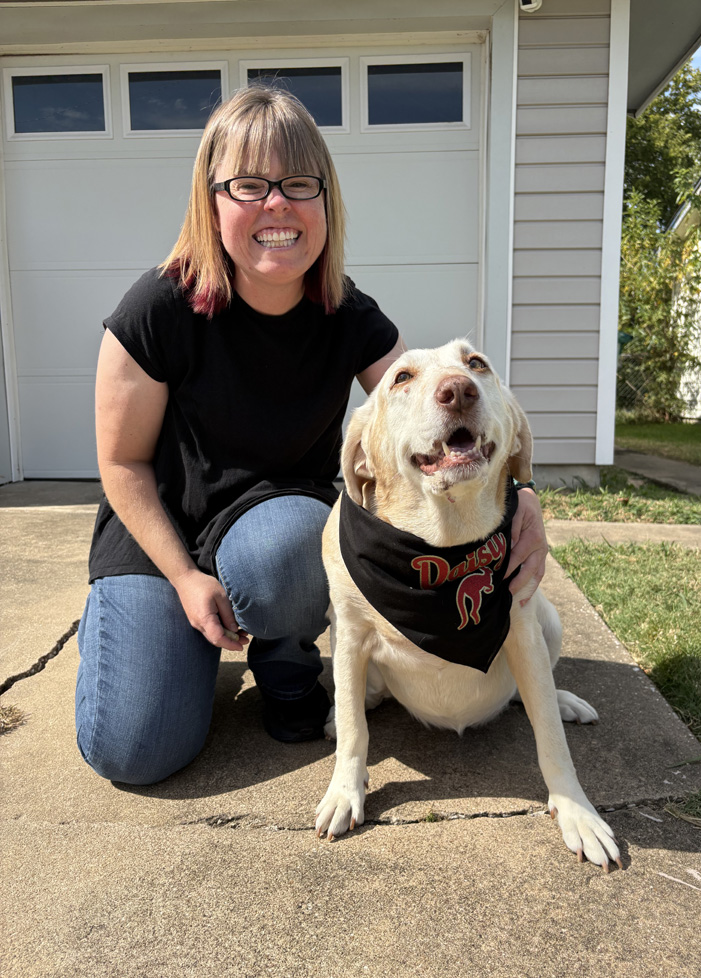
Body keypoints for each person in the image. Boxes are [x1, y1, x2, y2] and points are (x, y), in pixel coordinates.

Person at [75, 86, 548, 787]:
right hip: (160, 533)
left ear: (326, 200)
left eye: (299, 183)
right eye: (248, 184)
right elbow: (121, 462)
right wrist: (183, 578)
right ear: (211, 200)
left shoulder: (348, 316)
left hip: (273, 533)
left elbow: (433, 422)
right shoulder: (158, 307)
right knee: (134, 751)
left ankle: (284, 660)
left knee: (291, 549)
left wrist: (523, 493)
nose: (277, 204)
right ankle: (134, 627)